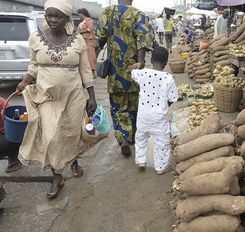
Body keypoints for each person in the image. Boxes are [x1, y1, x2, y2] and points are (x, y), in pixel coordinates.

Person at [15, 0, 100, 198]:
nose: (53, 20)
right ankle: (57, 176)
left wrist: (92, 97)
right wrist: (24, 82)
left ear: (67, 18)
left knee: (71, 133)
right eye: (49, 16)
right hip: (47, 96)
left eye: (58, 16)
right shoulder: (36, 38)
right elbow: (34, 66)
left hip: (73, 95)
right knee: (51, 136)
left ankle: (73, 161)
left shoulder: (77, 40)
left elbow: (85, 70)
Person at [96, 0, 152, 156]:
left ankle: (123, 138)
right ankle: (132, 136)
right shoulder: (138, 14)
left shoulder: (107, 13)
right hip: (133, 69)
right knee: (133, 104)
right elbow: (142, 38)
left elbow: (99, 38)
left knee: (118, 106)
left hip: (114, 71)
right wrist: (140, 61)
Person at [129, 46, 178, 174]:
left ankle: (141, 160)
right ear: (166, 62)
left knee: (140, 138)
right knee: (162, 142)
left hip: (143, 115)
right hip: (159, 117)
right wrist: (164, 103)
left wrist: (137, 66)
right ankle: (160, 167)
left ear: (151, 59)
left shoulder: (143, 73)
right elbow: (173, 98)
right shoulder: (168, 78)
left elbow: (132, 72)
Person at [77, 8, 97, 77]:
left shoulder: (90, 20)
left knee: (91, 56)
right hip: (83, 41)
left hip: (89, 40)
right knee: (85, 56)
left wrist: (81, 32)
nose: (79, 16)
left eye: (79, 14)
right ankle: (86, 72)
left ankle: (93, 72)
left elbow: (90, 29)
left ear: (82, 14)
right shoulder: (81, 23)